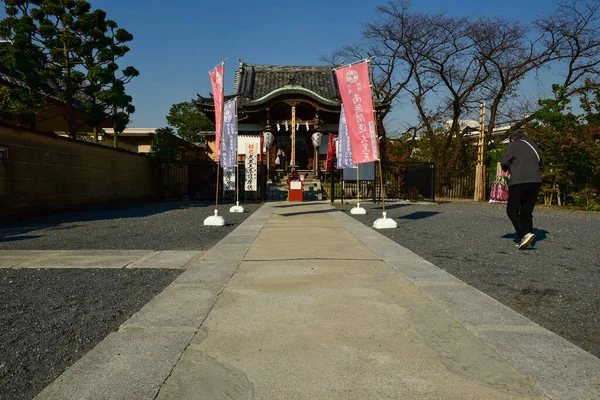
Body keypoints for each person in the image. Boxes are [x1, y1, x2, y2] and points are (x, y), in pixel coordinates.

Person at [501, 129, 544, 249]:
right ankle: (527, 239)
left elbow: (504, 162)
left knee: (512, 211)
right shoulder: (535, 146)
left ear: (513, 139)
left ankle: (525, 234)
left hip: (518, 182)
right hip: (535, 182)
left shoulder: (513, 146)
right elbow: (542, 165)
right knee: (526, 212)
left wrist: (507, 168)